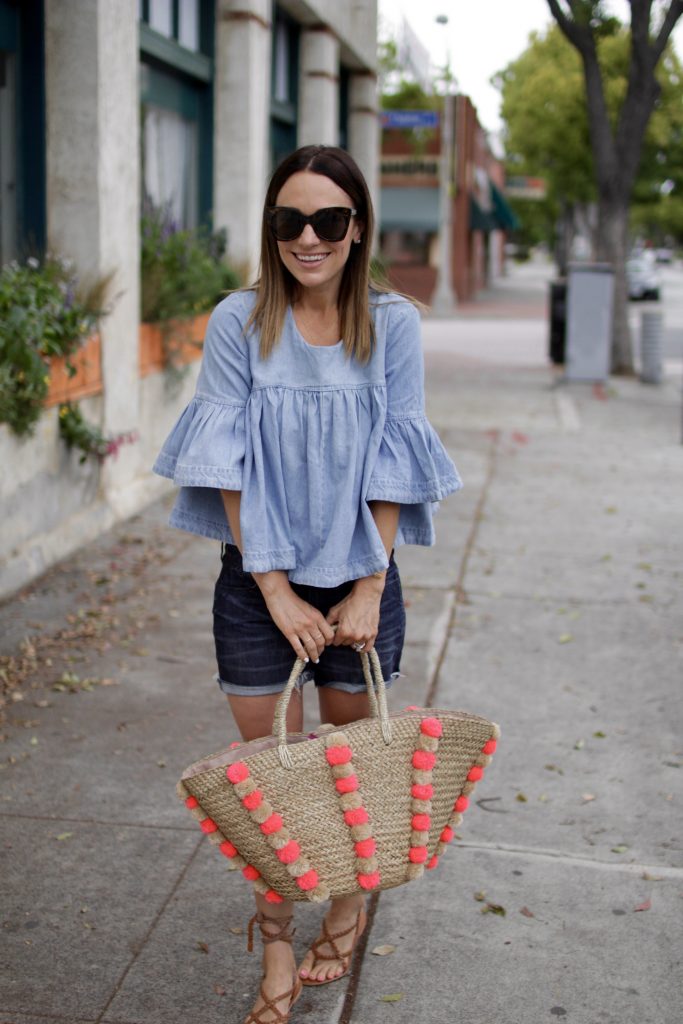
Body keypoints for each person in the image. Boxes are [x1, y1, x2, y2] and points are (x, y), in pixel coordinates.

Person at [153, 144, 461, 1024]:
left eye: (329, 220)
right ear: (272, 229)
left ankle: (349, 905)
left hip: (361, 581)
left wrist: (369, 584)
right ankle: (277, 939)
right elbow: (227, 467)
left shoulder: (391, 323)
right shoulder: (238, 322)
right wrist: (277, 590)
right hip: (261, 587)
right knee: (266, 783)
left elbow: (399, 456)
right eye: (291, 221)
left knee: (349, 771)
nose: (309, 237)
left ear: (357, 228)